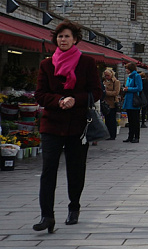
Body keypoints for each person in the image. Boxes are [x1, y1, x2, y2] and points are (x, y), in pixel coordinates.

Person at [33, 20, 101, 233]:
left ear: (75, 40)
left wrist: (74, 99)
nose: (62, 40)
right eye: (60, 36)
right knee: (48, 170)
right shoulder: (46, 64)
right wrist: (58, 101)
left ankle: (74, 207)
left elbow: (96, 92)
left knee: (76, 169)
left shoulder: (87, 63)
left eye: (67, 36)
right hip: (52, 124)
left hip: (78, 125)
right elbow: (40, 94)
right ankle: (47, 215)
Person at [122, 63, 143, 143]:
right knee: (130, 120)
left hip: (134, 101)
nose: (126, 70)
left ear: (130, 68)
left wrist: (128, 89)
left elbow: (139, 88)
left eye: (126, 68)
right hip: (128, 101)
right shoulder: (129, 77)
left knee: (135, 120)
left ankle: (136, 137)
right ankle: (130, 136)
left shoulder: (136, 76)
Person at [102, 68, 121, 140]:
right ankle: (108, 134)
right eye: (105, 75)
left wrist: (106, 93)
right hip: (105, 103)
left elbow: (116, 92)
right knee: (107, 119)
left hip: (112, 102)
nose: (107, 77)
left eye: (108, 75)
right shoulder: (104, 81)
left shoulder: (116, 82)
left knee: (112, 119)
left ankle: (113, 135)